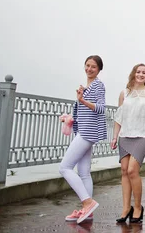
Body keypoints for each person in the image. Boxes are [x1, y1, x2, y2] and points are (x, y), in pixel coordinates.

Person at [111, 64, 145, 224]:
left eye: (144, 73)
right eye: (138, 72)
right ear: (133, 74)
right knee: (124, 171)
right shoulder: (124, 93)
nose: (140, 74)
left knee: (133, 170)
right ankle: (126, 208)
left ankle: (138, 207)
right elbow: (119, 117)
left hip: (143, 136)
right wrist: (114, 137)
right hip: (125, 136)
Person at [60, 55, 107, 224]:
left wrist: (82, 100)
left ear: (99, 69)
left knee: (64, 167)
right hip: (86, 131)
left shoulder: (98, 85)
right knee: (84, 172)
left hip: (87, 133)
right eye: (87, 65)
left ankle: (88, 202)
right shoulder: (87, 86)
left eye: (93, 66)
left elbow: (101, 108)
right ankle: (88, 211)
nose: (89, 69)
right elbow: (82, 112)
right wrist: (70, 117)